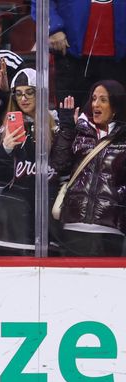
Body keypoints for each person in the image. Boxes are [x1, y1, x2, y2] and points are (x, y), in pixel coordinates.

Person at [49, 80, 126, 257]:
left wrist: (118, 198)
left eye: (103, 100)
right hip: (73, 224)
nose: (95, 104)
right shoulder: (80, 131)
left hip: (111, 228)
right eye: (93, 99)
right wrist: (67, 129)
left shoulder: (124, 139)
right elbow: (58, 165)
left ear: (116, 106)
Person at [0, 68, 58, 255]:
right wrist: (5, 150)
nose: (23, 98)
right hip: (9, 228)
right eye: (18, 94)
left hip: (45, 227)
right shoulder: (4, 133)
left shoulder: (56, 131)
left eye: (29, 92)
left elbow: (63, 175)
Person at [35, 0, 126, 105]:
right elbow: (41, 3)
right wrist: (53, 27)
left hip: (119, 59)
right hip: (72, 56)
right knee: (70, 113)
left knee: (115, 115)